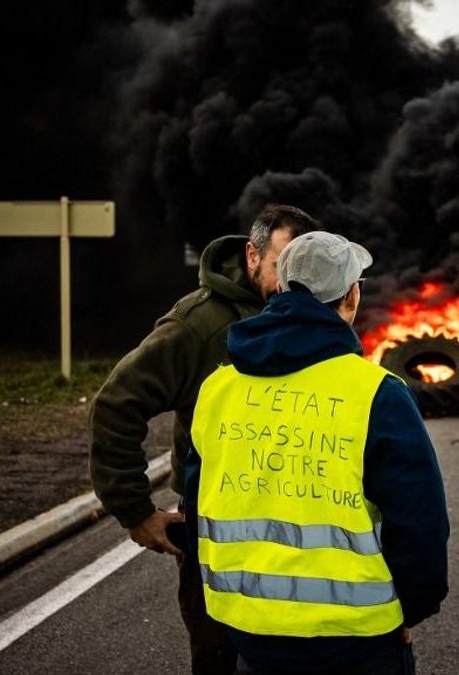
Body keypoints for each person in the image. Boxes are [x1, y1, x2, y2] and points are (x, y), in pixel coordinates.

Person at [184, 231, 449, 674]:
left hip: (250, 633)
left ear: (282, 287)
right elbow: (420, 523)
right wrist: (410, 612)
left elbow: (196, 502)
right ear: (352, 294)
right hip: (358, 641)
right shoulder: (377, 394)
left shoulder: (218, 388)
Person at [89, 204, 318, 674]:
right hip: (217, 534)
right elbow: (117, 404)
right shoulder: (200, 326)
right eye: (281, 266)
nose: (292, 283)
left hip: (300, 524)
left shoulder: (312, 317)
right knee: (220, 657)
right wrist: (135, 511)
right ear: (252, 256)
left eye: (303, 269)